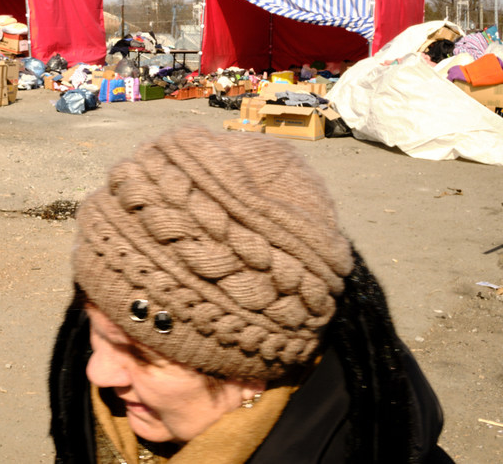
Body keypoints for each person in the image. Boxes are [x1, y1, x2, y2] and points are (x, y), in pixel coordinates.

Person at [49, 125, 452, 463]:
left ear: (249, 378)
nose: (96, 372)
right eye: (97, 330)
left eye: (140, 355)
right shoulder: (89, 406)